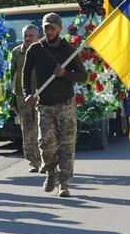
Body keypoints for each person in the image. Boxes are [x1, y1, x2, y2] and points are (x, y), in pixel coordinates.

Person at [22, 12, 87, 197]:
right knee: (46, 144)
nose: (49, 31)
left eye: (52, 28)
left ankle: (64, 183)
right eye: (46, 28)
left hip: (65, 103)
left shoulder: (69, 49)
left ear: (59, 29)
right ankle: (51, 172)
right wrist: (28, 94)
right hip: (44, 104)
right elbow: (26, 74)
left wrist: (65, 74)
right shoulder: (35, 49)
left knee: (67, 145)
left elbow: (83, 76)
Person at [10, 24, 42, 172]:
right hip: (23, 96)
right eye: (26, 36)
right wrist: (12, 97)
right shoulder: (16, 53)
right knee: (28, 131)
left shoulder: (44, 50)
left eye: (31, 36)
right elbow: (11, 75)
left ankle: (46, 160)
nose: (28, 38)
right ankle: (33, 162)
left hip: (43, 95)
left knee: (44, 128)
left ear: (38, 37)